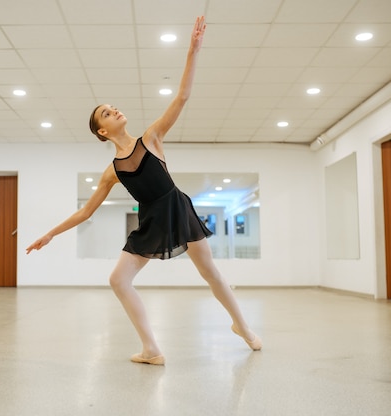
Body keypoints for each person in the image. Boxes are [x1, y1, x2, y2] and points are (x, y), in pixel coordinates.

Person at [26, 16, 261, 365]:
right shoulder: (112, 172)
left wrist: (193, 51)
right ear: (102, 132)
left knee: (210, 272)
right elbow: (85, 212)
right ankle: (151, 348)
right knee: (119, 280)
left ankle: (242, 326)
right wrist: (50, 234)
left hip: (176, 208)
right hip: (150, 219)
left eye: (113, 107)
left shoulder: (151, 138)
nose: (114, 110)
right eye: (106, 113)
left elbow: (182, 96)